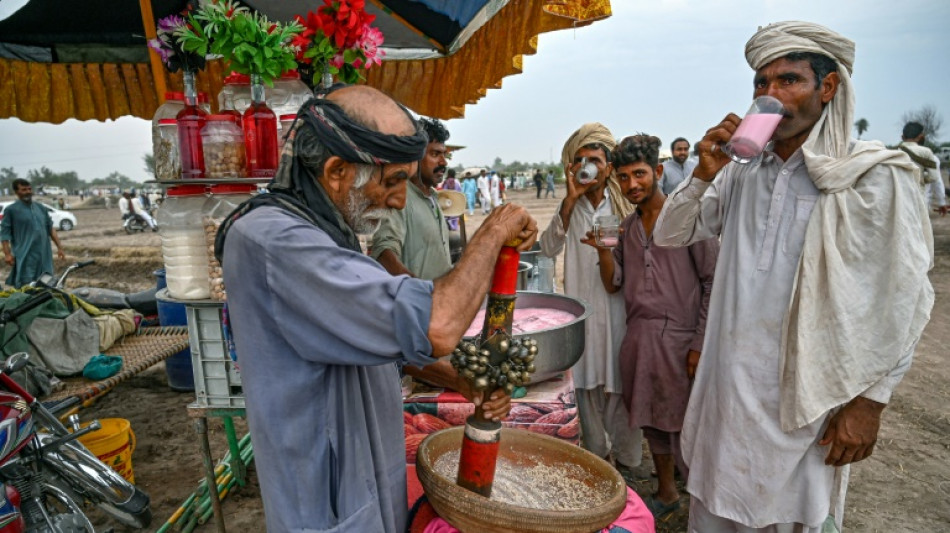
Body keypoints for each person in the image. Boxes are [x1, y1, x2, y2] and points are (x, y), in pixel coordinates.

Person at [214, 85, 538, 533]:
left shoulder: (323, 227)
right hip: (326, 498)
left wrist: (457, 378)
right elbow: (438, 326)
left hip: (361, 470)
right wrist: (495, 231)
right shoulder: (278, 242)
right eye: (392, 181)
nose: (399, 200)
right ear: (336, 171)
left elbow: (378, 333)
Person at [652, 21, 934, 533]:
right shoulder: (740, 173)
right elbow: (670, 235)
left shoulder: (872, 176)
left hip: (807, 404)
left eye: (788, 81)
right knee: (716, 509)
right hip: (729, 392)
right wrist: (702, 175)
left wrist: (871, 402)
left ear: (827, 89)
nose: (771, 95)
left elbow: (906, 297)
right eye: (761, 84)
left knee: (793, 517)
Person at [583, 134, 718, 518]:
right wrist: (604, 251)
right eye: (623, 178)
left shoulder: (687, 219)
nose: (632, 185)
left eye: (639, 174)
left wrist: (699, 343)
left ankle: (703, 504)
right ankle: (666, 491)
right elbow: (614, 283)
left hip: (682, 339)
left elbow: (713, 281)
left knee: (689, 425)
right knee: (652, 421)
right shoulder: (625, 227)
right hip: (640, 338)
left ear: (657, 171)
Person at [539, 123, 642, 473]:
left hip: (619, 311)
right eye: (581, 159)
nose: (587, 166)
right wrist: (568, 200)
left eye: (595, 160)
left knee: (619, 384)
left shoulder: (625, 205)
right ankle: (597, 458)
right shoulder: (572, 207)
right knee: (584, 383)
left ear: (609, 167)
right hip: (581, 310)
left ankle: (627, 463)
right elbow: (548, 247)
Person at [371, 117, 453, 279]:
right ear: (415, 157)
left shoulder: (433, 198)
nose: (443, 162)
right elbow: (384, 253)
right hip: (418, 301)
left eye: (444, 154)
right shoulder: (401, 197)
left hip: (441, 300)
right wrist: (416, 289)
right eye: (435, 154)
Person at [1, 179, 66, 288]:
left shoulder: (41, 208)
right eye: (24, 189)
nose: (28, 192)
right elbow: (4, 235)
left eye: (29, 189)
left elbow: (50, 229)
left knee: (46, 282)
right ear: (16, 192)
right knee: (27, 284)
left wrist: (60, 247)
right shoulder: (11, 210)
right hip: (25, 254)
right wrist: (7, 254)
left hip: (44, 254)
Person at [898, 121, 947, 216]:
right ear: (921, 136)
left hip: (900, 200)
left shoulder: (895, 152)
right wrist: (941, 202)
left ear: (902, 137)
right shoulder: (928, 153)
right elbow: (935, 179)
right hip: (920, 198)